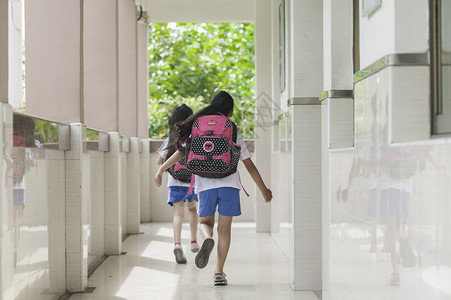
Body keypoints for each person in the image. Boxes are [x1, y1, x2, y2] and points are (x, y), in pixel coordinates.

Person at [154, 91, 273, 286]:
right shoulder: (232, 130)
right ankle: (219, 272)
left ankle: (207, 238)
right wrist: (264, 189)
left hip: (205, 185)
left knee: (205, 223)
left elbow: (182, 152)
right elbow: (250, 167)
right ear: (231, 111)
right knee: (224, 229)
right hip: (230, 186)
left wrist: (161, 169)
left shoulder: (197, 127)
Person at [157, 104, 200, 264]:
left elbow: (160, 160)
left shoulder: (170, 139)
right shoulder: (193, 138)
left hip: (175, 181)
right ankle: (194, 241)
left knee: (178, 214)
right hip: (192, 181)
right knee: (192, 210)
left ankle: (177, 244)